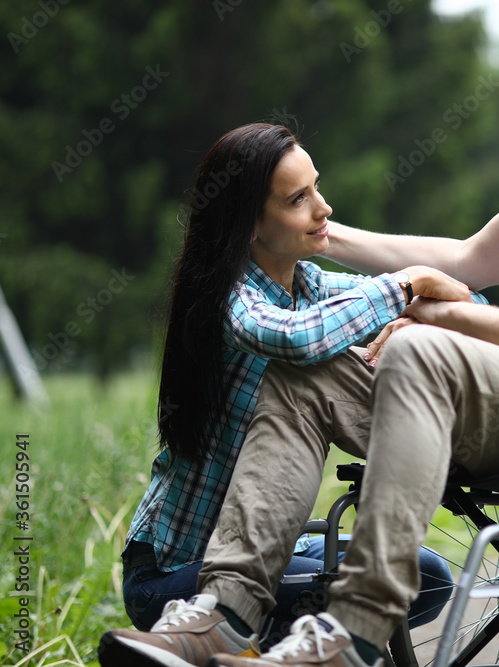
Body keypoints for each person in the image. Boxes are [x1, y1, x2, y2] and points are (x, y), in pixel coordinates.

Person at [98, 1, 499, 665]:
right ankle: (228, 611)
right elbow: (466, 260)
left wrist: (437, 313)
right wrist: (315, 232)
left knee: (418, 345)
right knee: (303, 371)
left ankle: (355, 631)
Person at [107, 122, 476, 658]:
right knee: (384, 585)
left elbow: (473, 303)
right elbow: (296, 338)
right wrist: (407, 284)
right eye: (298, 199)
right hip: (176, 579)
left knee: (427, 573)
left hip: (267, 548)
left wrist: (419, 319)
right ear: (249, 225)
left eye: (316, 188)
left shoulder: (312, 286)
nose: (323, 208)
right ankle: (212, 637)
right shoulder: (229, 300)